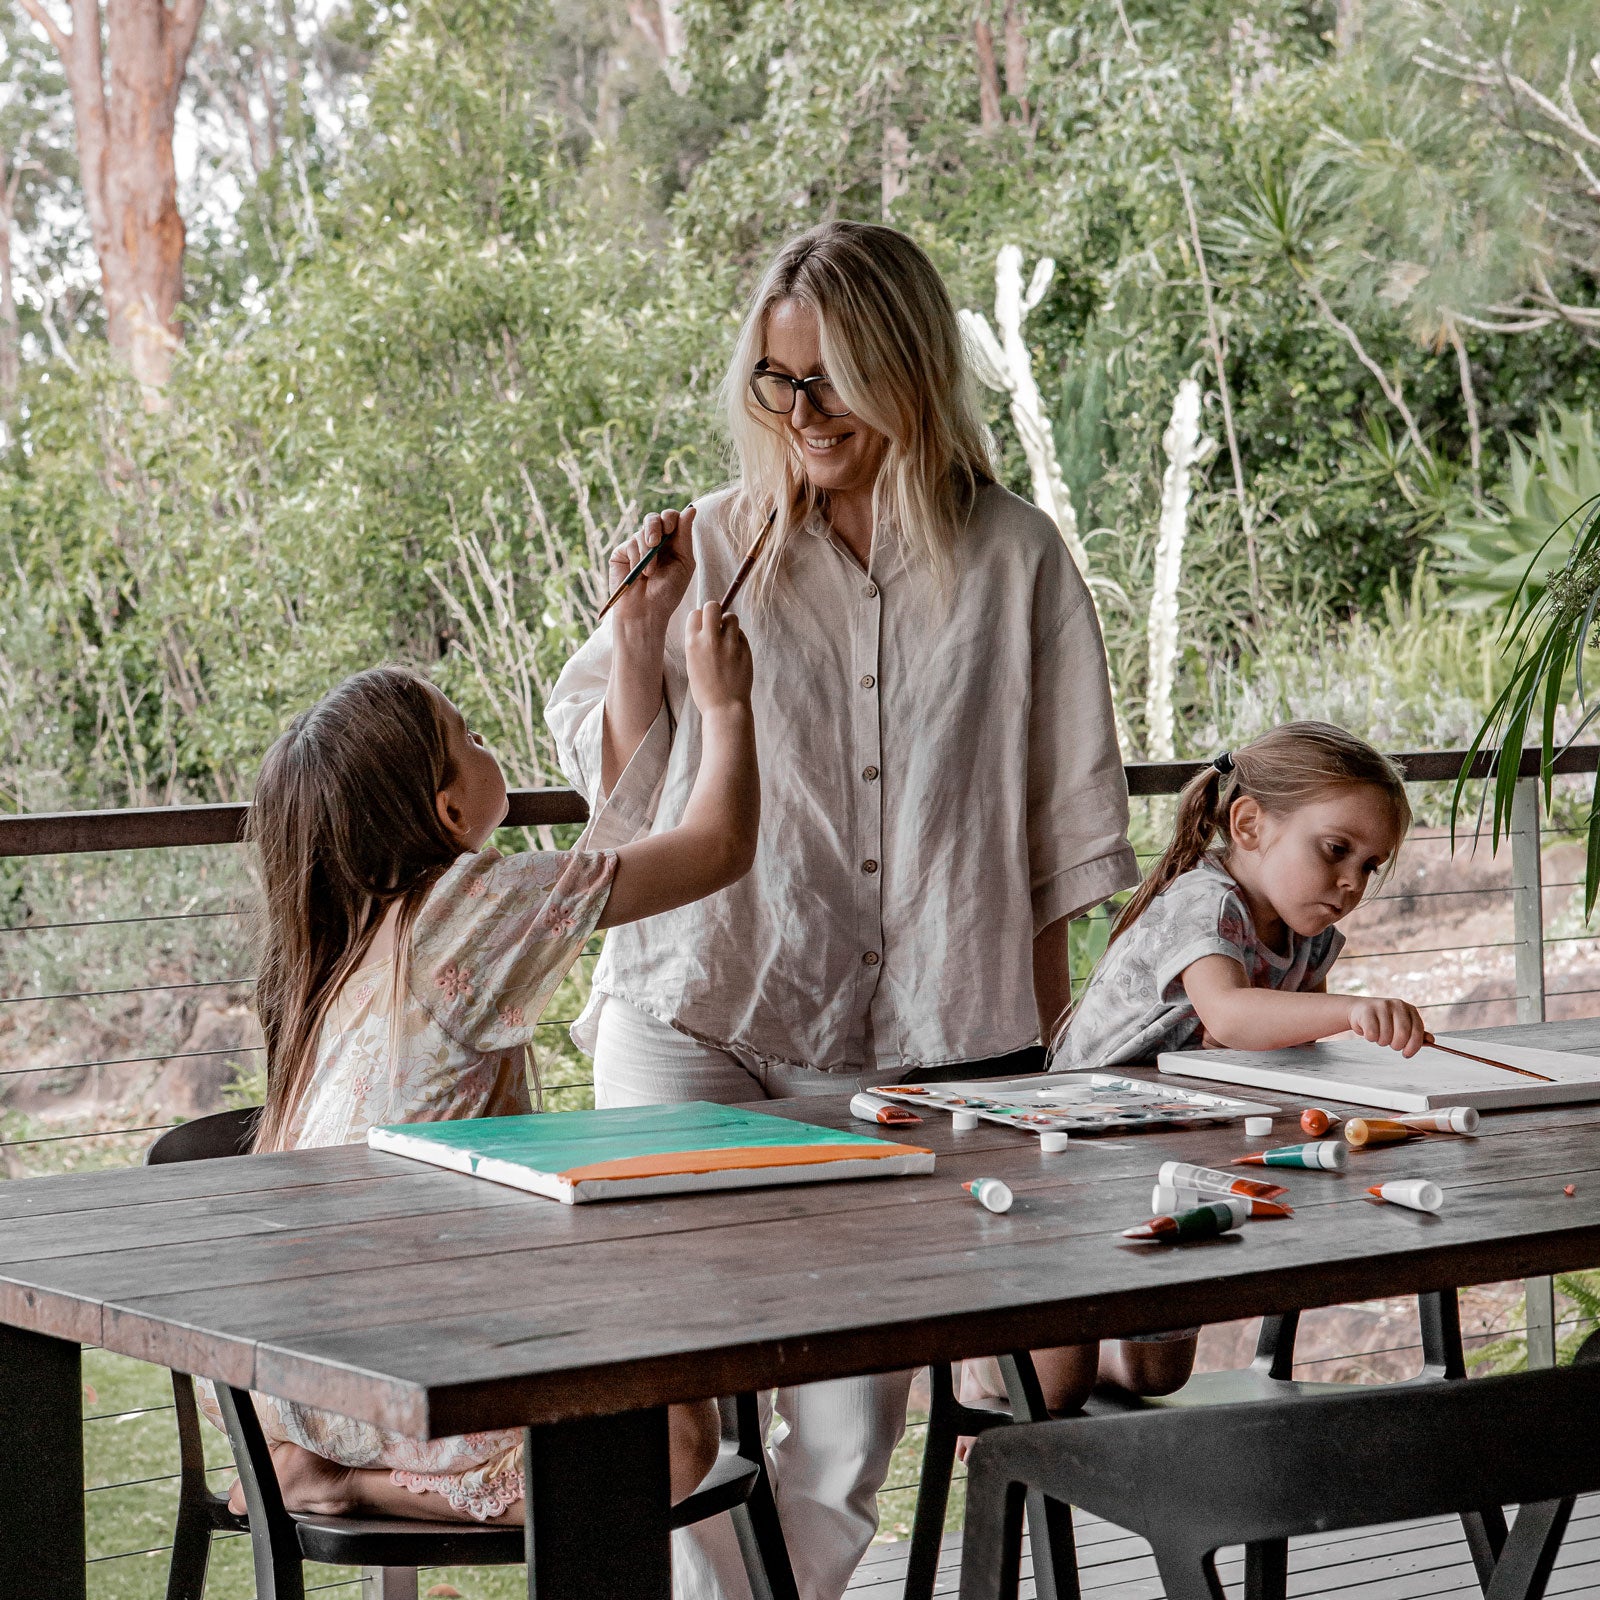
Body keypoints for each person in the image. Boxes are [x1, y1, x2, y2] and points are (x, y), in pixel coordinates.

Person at [545, 221, 1138, 1600]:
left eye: (831, 381)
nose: (801, 414)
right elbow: (628, 808)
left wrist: (1034, 1086)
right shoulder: (715, 544)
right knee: (659, 1385)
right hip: (697, 1006)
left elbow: (1055, 845)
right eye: (776, 380)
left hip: (913, 1048)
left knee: (845, 1438)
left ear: (911, 371)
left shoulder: (1019, 563)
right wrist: (639, 647)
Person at [224, 607, 757, 1525]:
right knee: (672, 1437)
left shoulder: (352, 941)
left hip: (298, 1370)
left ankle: (329, 1468)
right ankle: (351, 1486)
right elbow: (718, 848)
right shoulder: (469, 904)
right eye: (467, 734)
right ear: (447, 809)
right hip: (398, 1376)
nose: (484, 738)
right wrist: (727, 705)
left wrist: (637, 640)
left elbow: (602, 861)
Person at [971, 720, 1422, 1417]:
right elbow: (1232, 1015)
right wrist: (1353, 1012)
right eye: (1336, 849)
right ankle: (978, 1372)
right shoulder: (1203, 901)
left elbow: (1291, 1055)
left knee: (1157, 1376)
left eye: (1369, 865)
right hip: (1072, 1145)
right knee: (1053, 1388)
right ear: (1248, 824)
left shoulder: (1314, 940)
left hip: (1168, 1142)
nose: (1351, 881)